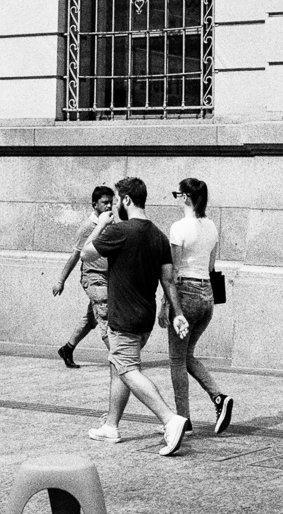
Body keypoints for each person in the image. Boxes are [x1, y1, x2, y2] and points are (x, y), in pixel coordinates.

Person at [80, 176, 190, 457]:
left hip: (124, 316)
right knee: (119, 365)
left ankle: (170, 420)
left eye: (116, 200)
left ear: (127, 200)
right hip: (144, 318)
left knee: (128, 369)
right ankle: (111, 426)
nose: (114, 205)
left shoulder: (120, 231)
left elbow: (87, 254)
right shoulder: (158, 235)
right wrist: (177, 313)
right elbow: (168, 280)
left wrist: (103, 224)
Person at [161, 177, 233, 434]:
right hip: (207, 296)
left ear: (185, 197)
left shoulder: (179, 227)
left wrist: (165, 305)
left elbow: (173, 271)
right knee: (186, 355)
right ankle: (218, 398)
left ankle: (184, 420)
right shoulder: (212, 226)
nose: (175, 198)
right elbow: (211, 266)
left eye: (176, 194)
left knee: (176, 360)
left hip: (185, 293)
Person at [52, 185, 114, 368]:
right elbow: (75, 256)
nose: (109, 206)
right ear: (95, 204)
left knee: (91, 318)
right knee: (105, 313)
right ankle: (120, 358)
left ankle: (68, 349)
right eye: (105, 203)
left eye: (111, 202)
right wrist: (60, 281)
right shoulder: (87, 227)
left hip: (108, 278)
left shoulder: (111, 224)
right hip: (93, 278)